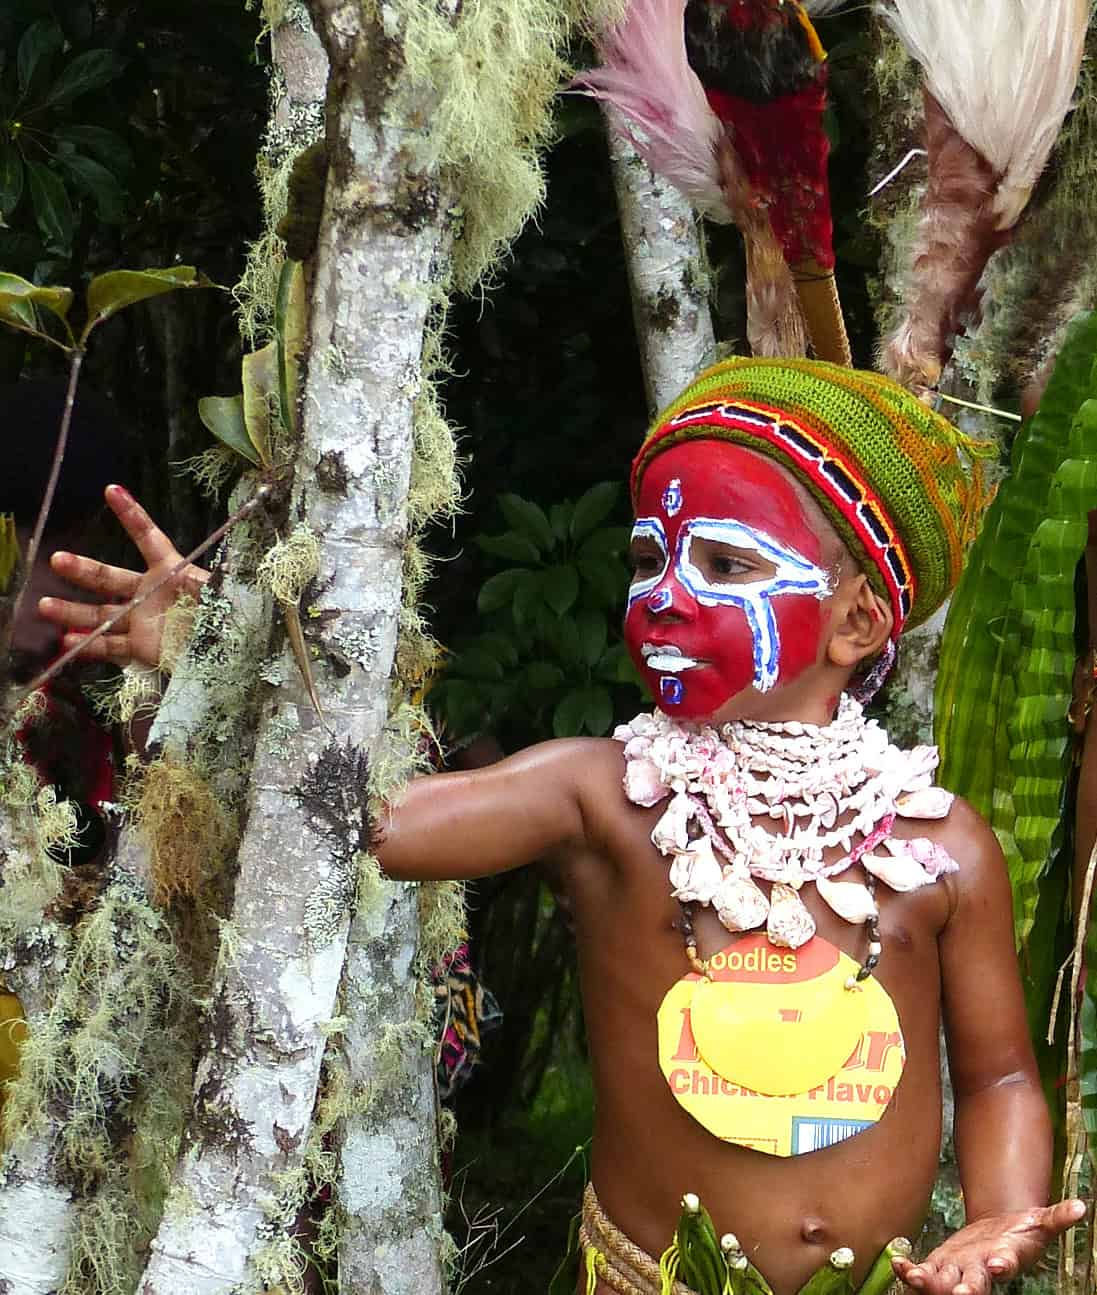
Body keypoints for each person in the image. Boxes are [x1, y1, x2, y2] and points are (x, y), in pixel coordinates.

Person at [39, 358, 1086, 1295]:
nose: (663, 598)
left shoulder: (939, 846)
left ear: (858, 621)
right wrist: (229, 655)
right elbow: (374, 823)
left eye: (722, 565)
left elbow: (995, 1075)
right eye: (648, 559)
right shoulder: (605, 793)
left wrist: (998, 1214)